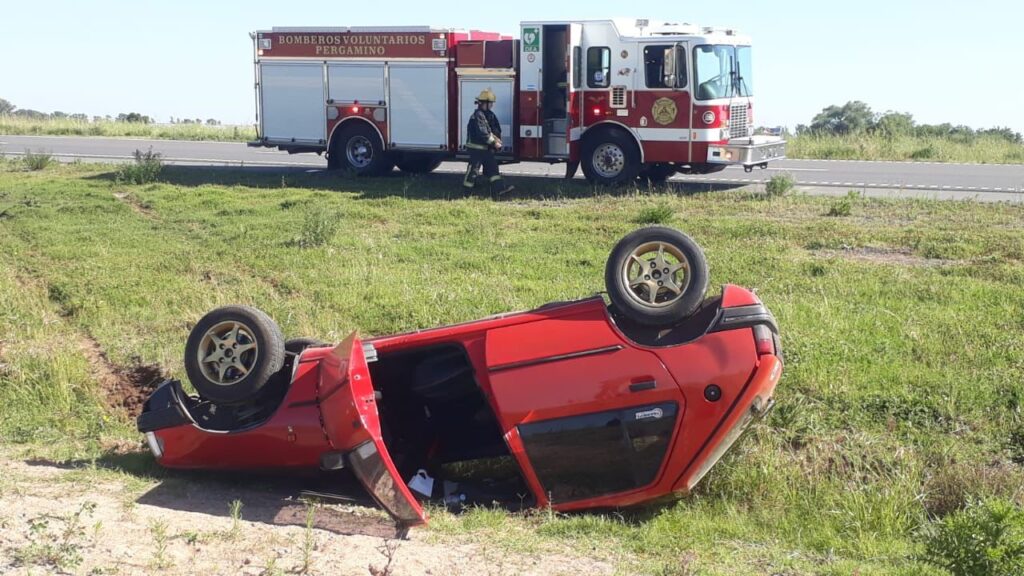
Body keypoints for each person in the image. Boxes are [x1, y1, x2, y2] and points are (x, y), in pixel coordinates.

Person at [464, 89, 514, 197]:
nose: (492, 105)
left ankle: (499, 189)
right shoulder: (478, 115)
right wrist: (494, 143)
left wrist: (497, 139)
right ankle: (467, 192)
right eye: (490, 103)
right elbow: (483, 133)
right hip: (476, 149)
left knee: (493, 169)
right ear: (483, 103)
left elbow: (493, 129)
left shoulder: (488, 114)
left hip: (486, 149)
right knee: (473, 170)